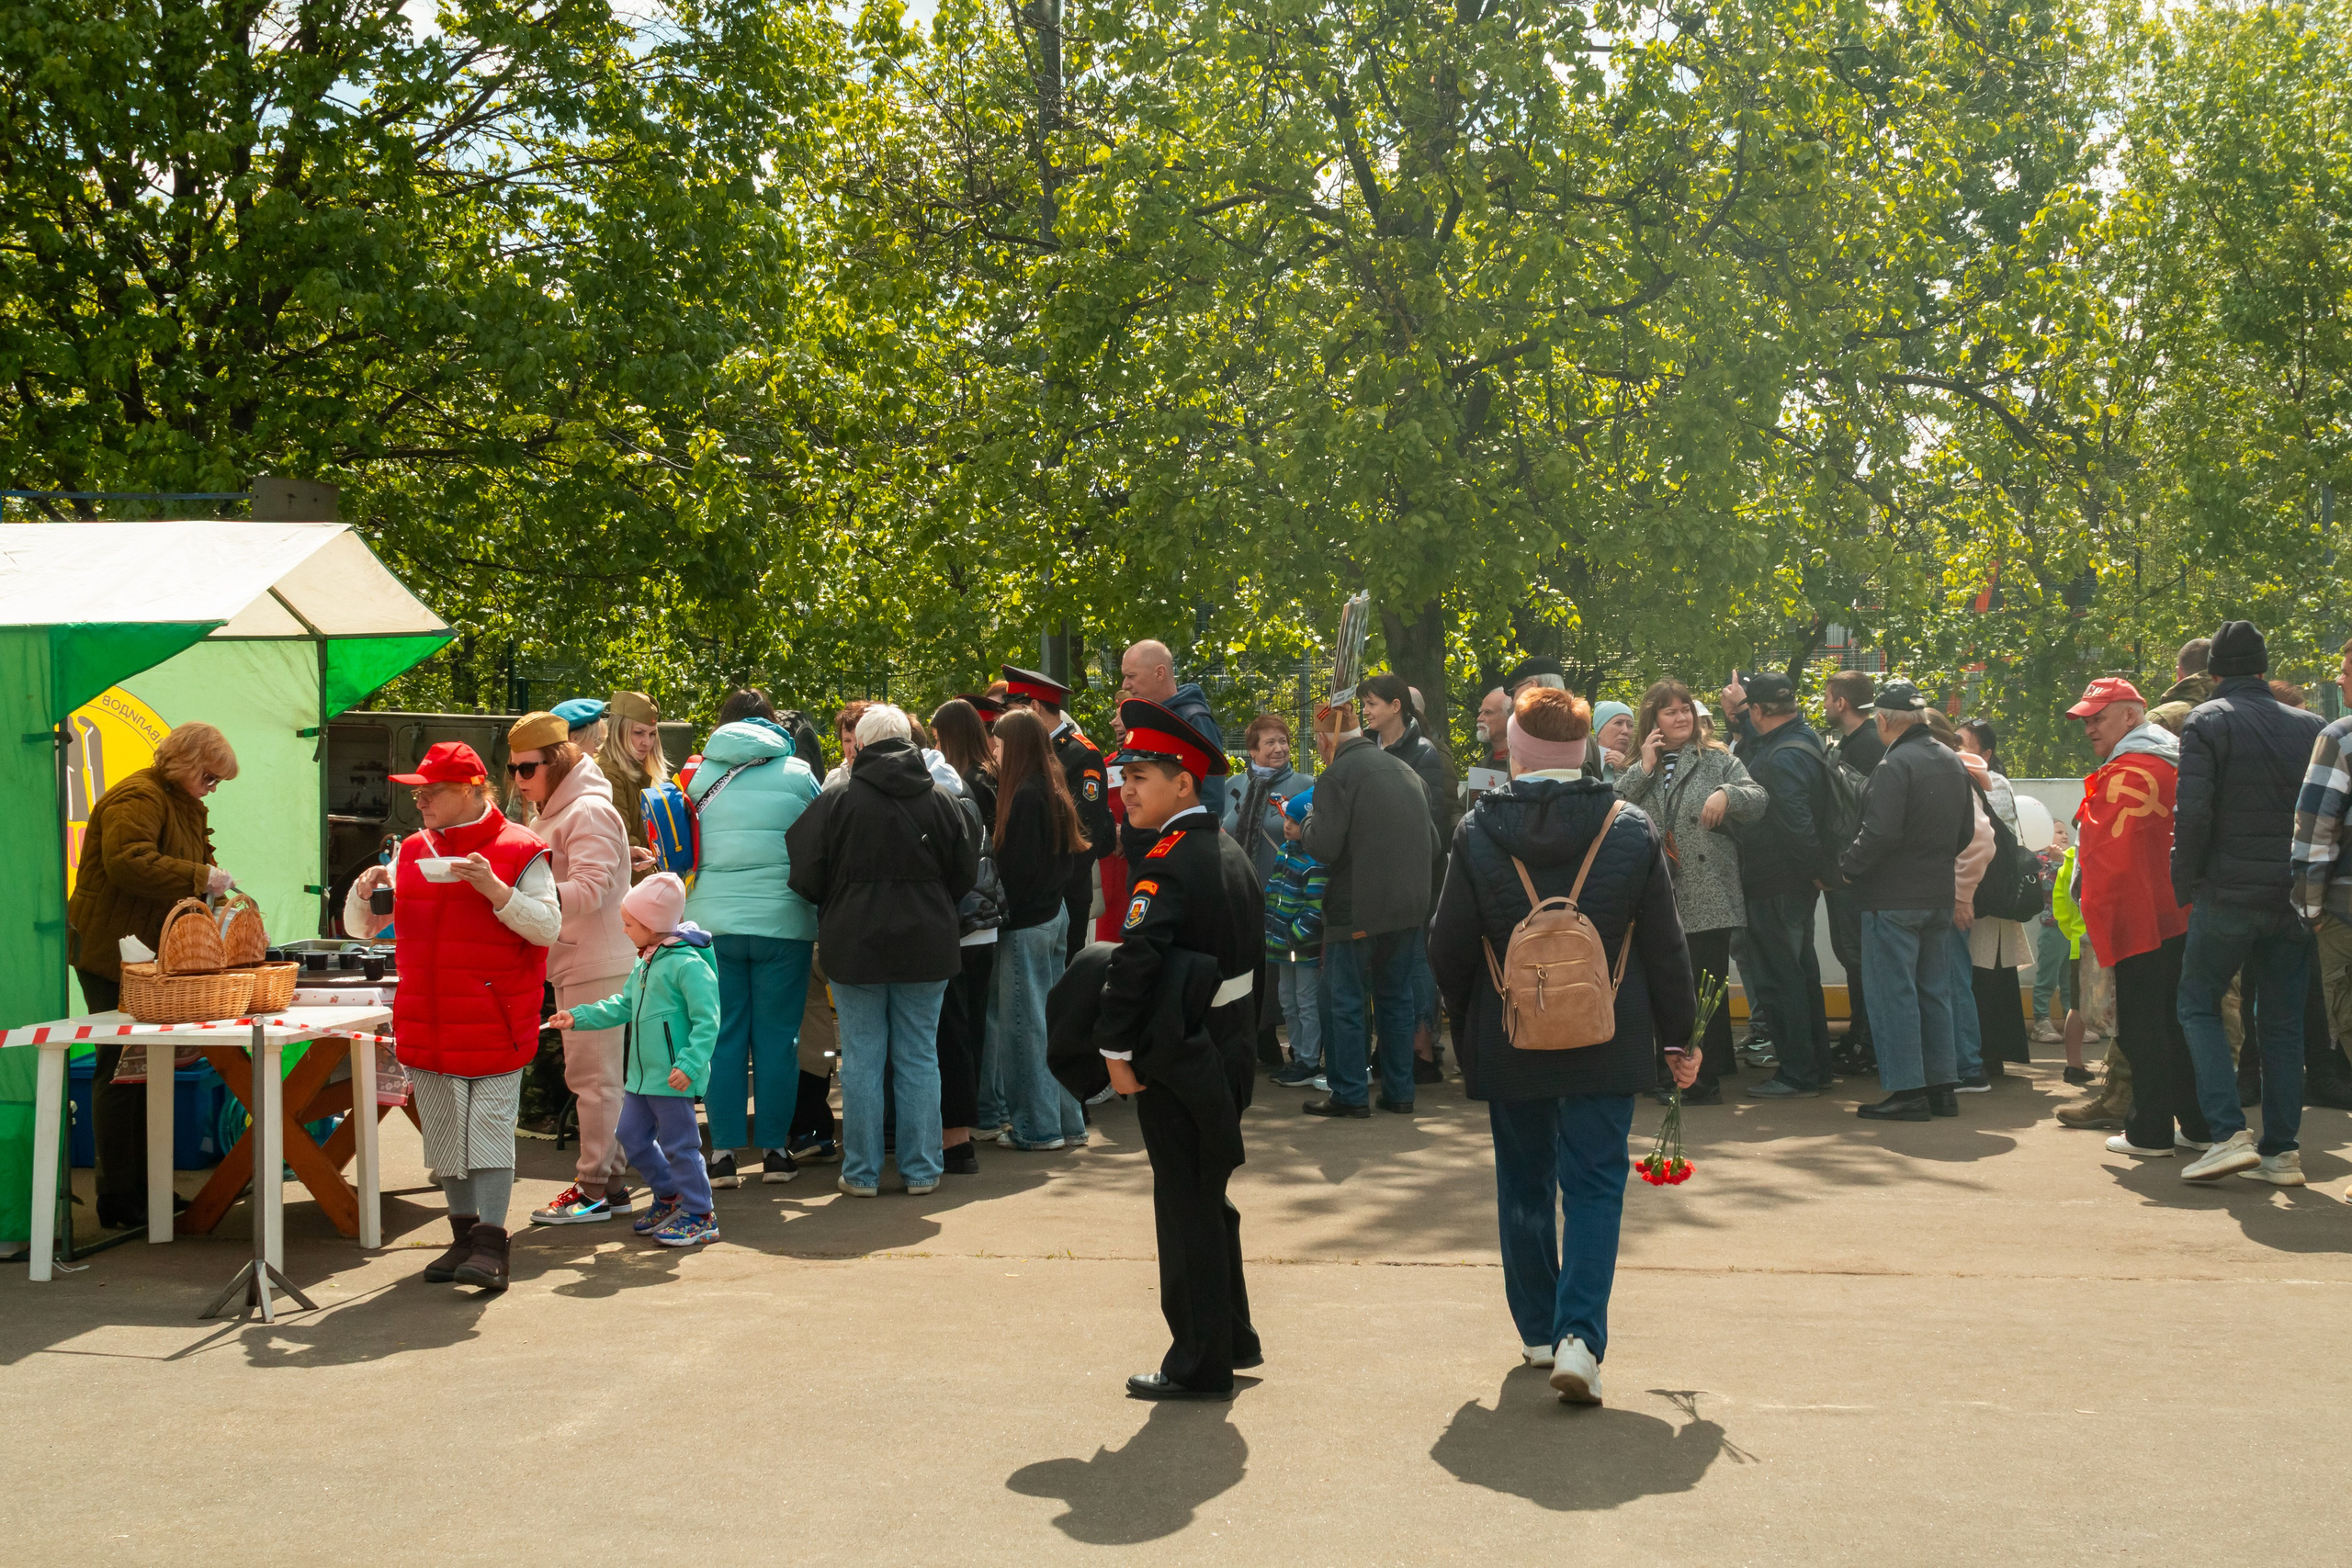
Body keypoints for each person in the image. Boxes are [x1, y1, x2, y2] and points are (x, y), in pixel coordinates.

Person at [1428, 685, 1697, 1404]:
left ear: (1514, 751)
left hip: (1511, 1037)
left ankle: (1540, 1329)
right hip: (1605, 1038)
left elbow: (1447, 945)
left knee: (1522, 1181)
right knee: (1596, 1183)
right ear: (1582, 749)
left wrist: (1469, 1020)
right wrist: (1679, 1037)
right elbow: (1667, 948)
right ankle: (1581, 1335)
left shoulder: (1477, 830)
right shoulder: (1630, 828)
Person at [1088, 697, 1262, 1399]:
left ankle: (1198, 1360)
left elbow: (1137, 962)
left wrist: (1114, 1049)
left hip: (1186, 1053)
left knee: (1186, 1204)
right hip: (1225, 1046)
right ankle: (1232, 1334)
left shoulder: (1169, 861)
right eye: (1126, 774)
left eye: (1144, 776)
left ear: (1185, 783)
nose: (1127, 788)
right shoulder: (1224, 849)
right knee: (1208, 1195)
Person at [346, 741, 560, 1291]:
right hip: (427, 1014)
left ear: (469, 789)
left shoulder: (522, 848)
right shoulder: (413, 850)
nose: (420, 801)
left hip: (496, 1017)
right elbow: (362, 931)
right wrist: (364, 892)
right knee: (444, 1137)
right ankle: (464, 1237)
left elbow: (547, 929)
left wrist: (493, 887)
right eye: (416, 792)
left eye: (430, 791)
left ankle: (492, 1242)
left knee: (488, 1132)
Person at [786, 704, 978, 1197]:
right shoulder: (941, 799)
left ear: (862, 746)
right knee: (919, 1056)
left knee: (864, 1059)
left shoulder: (837, 799)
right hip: (927, 944)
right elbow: (965, 873)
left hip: (854, 945)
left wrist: (838, 900)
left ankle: (862, 1172)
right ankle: (921, 1170)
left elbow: (805, 873)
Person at [64, 720, 240, 1230]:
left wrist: (218, 892)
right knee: (121, 1069)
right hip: (111, 952)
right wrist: (198, 877)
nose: (213, 788)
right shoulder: (137, 796)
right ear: (186, 762)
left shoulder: (178, 800)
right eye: (210, 777)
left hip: (143, 953)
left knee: (145, 1070)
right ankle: (119, 1196)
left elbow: (187, 861)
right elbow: (128, 862)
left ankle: (147, 1187)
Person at [2173, 622, 2324, 1183]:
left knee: (2197, 1002)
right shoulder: (2312, 726)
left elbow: (2193, 814)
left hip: (2227, 893)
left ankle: (2226, 1131)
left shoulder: (2207, 720)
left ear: (2214, 672)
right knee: (2282, 1024)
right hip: (2293, 898)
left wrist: (2182, 884)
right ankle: (2282, 1150)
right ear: (2263, 668)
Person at [2053, 678, 2206, 1156]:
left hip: (2139, 917)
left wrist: (2098, 922)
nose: (2089, 728)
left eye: (2098, 718)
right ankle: (2200, 1126)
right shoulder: (2181, 764)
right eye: (2086, 719)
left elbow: (2105, 859)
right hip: (2184, 913)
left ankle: (2150, 1130)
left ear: (2132, 717)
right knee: (2182, 1023)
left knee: (2143, 1028)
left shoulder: (2127, 772)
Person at [500, 712, 637, 1227]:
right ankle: (611, 1185)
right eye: (513, 768)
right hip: (582, 959)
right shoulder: (564, 809)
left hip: (594, 962)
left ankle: (594, 1188)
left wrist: (516, 898)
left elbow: (593, 888)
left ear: (556, 761)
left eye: (527, 769)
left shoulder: (586, 811)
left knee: (595, 1081)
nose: (518, 779)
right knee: (594, 1079)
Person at [684, 697, 820, 1189]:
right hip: (783, 923)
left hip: (710, 925)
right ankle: (776, 1151)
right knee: (778, 1039)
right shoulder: (799, 772)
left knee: (722, 1038)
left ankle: (721, 1154)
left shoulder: (695, 777)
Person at [549, 873, 722, 1247]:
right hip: (642, 1078)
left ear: (652, 925)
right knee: (630, 1136)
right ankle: (670, 1195)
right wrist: (578, 1017)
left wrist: (690, 1064)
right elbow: (623, 1005)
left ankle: (700, 1214)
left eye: (629, 924)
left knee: (681, 1145)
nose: (624, 930)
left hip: (673, 1076)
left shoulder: (688, 964)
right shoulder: (647, 960)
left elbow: (708, 1020)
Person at [1616, 681, 1765, 1103]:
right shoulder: (1638, 764)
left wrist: (1727, 794)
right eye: (1670, 711)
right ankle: (1667, 1073)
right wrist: (1643, 767)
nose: (1681, 717)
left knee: (1700, 988)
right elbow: (1612, 808)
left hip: (1706, 892)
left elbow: (1758, 798)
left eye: (1685, 709)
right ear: (1654, 721)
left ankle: (1702, 1080)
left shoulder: (1717, 760)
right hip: (1655, 894)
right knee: (1661, 987)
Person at [1834, 681, 1973, 1119]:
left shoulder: (1894, 764)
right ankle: (1941, 1088)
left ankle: (1907, 1091)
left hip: (1891, 899)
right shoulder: (1950, 759)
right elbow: (1965, 832)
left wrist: (1846, 867)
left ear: (1882, 721)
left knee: (1893, 994)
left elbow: (1879, 833)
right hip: (1937, 894)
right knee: (1934, 991)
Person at [1300, 701, 1438, 1115]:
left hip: (1356, 908)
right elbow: (1432, 845)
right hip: (1409, 907)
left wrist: (1307, 823)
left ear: (1324, 741)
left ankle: (1349, 1093)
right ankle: (1399, 1092)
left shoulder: (1335, 776)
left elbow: (1324, 846)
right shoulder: (1408, 771)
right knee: (1396, 998)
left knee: (1344, 999)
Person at [1718, 670, 1835, 1098]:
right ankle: (1814, 1068)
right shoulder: (1800, 738)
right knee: (1801, 976)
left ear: (1762, 710)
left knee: (1781, 980)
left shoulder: (1780, 758)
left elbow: (1795, 824)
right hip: (1792, 884)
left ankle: (1798, 1074)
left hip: (1775, 882)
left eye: (1751, 710)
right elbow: (1759, 736)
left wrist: (1816, 867)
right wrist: (1737, 712)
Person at [989, 707, 1091, 1151]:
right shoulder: (1052, 786)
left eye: (997, 742)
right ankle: (1068, 1124)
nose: (992, 750)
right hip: (1054, 915)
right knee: (1050, 1024)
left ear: (1015, 746)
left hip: (1027, 924)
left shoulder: (1024, 795)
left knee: (1023, 1027)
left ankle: (1036, 1128)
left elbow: (1018, 870)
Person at [1362, 671, 1460, 1082]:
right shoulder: (1366, 748)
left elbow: (1429, 818)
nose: (1365, 711)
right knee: (1386, 968)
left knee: (1413, 963)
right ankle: (1395, 1047)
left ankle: (1418, 1049)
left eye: (1372, 704)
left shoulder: (1424, 753)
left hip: (1412, 876)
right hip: (1373, 876)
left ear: (1396, 707)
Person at [1001, 665, 1118, 962]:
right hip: (1038, 897)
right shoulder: (1024, 749)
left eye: (1013, 710)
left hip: (1064, 895)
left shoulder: (1081, 755)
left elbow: (1085, 834)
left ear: (1035, 708)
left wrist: (1053, 889)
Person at [932, 698, 1001, 1172]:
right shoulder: (989, 777)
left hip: (963, 921)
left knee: (956, 1029)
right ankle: (982, 1113)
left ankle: (964, 1121)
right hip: (988, 918)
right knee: (979, 1023)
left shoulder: (962, 785)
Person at [1224, 714, 1306, 1066]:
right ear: (1253, 750)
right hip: (1238, 891)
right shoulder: (1233, 785)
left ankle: (1267, 1033)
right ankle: (1243, 1031)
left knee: (1275, 969)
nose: (1280, 748)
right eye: (1270, 742)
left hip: (1281, 892)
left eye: (1284, 741)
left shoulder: (1305, 784)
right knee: (1242, 961)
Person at [1955, 724, 2032, 1079]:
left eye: (1963, 744)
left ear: (1985, 754)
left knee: (1987, 976)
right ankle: (1988, 1054)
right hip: (1981, 893)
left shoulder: (1993, 784)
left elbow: (1986, 839)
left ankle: (1988, 1055)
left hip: (1987, 894)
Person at [1820, 671, 1883, 1074]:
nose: (1824, 705)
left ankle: (1868, 1042)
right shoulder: (1864, 742)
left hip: (1854, 871)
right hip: (1855, 869)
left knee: (1859, 957)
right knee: (1854, 956)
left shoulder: (1866, 747)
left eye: (1827, 698)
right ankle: (1862, 1035)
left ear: (1841, 702)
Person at [1119, 639, 1229, 818]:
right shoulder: (1145, 716)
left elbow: (1210, 798)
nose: (1125, 685)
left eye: (1131, 676)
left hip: (1175, 840)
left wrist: (1180, 841)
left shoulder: (1194, 718)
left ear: (1160, 673)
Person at [1264, 790, 1329, 1088]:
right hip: (1280, 946)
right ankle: (1298, 1056)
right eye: (1287, 819)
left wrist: (1295, 934)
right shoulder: (1284, 851)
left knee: (1306, 1002)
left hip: (1300, 948)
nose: (1287, 825)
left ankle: (1308, 1060)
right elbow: (1273, 891)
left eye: (1294, 820)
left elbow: (1315, 908)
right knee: (1287, 1001)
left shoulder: (1316, 861)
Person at [596, 690, 667, 878]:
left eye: (652, 734)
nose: (647, 742)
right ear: (618, 730)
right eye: (638, 733)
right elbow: (622, 839)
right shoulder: (609, 773)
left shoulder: (634, 768)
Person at [1589, 701, 1634, 782]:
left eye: (1630, 725)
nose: (1626, 731)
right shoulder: (1583, 762)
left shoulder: (1643, 766)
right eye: (1618, 723)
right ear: (1600, 730)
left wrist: (1626, 770)